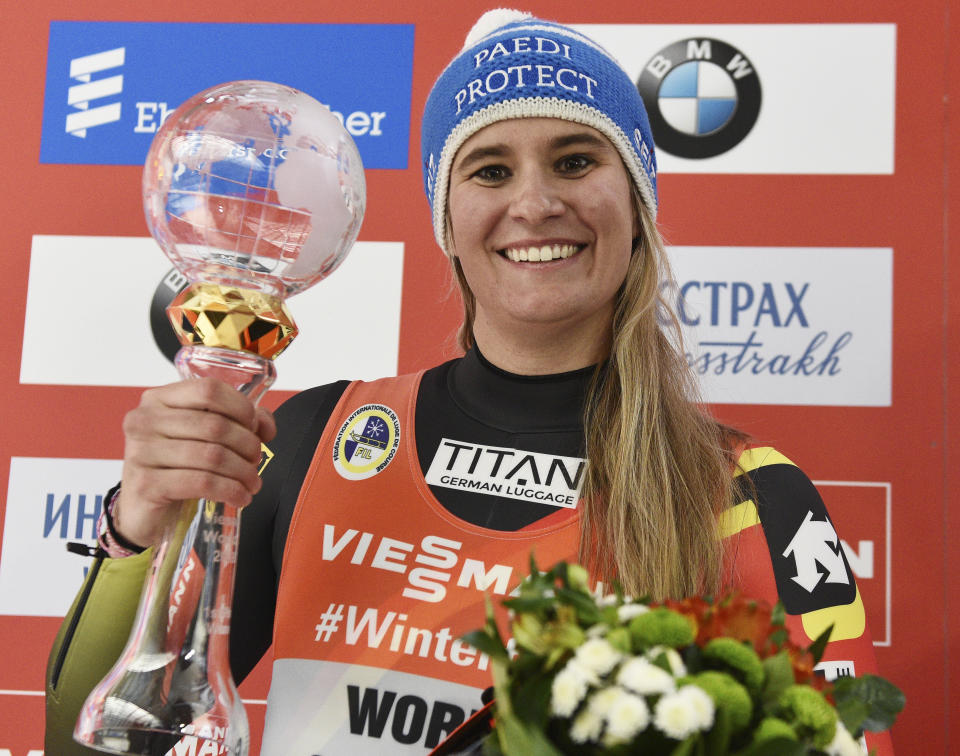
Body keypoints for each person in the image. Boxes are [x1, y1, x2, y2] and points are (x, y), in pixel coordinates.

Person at [46, 10, 891, 755]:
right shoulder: (311, 437)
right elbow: (86, 749)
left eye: (574, 160)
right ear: (446, 220)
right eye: (489, 170)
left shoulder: (750, 498)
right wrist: (139, 531)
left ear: (636, 205)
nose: (533, 203)